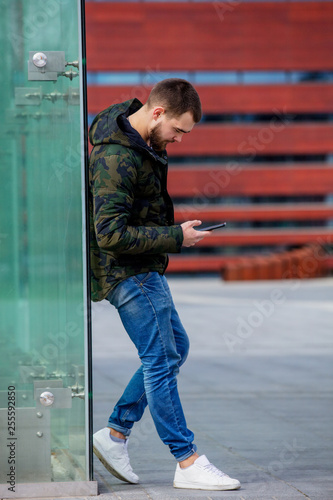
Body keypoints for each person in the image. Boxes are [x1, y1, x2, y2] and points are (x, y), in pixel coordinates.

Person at [89, 78, 240, 491]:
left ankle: (115, 434)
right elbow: (109, 235)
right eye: (178, 130)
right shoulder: (116, 158)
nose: (179, 139)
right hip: (128, 273)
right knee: (160, 360)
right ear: (157, 113)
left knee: (176, 349)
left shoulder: (145, 144)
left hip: (145, 269)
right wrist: (177, 236)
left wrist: (175, 234)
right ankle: (186, 460)